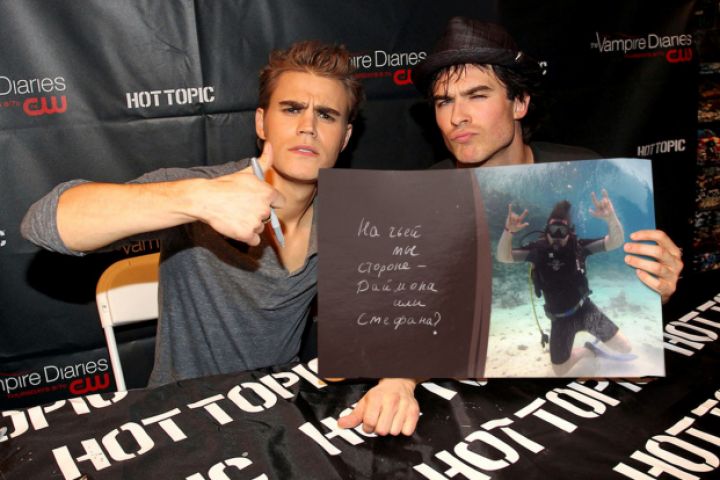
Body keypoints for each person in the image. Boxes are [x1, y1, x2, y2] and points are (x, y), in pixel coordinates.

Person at [22, 40, 419, 436]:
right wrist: (194, 199)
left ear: (344, 138)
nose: (308, 127)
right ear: (261, 123)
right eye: (292, 109)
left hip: (278, 415)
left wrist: (399, 380)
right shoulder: (206, 191)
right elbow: (44, 223)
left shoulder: (351, 216)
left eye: (326, 115)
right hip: (184, 419)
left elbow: (413, 308)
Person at [413, 16, 683, 303]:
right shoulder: (422, 195)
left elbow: (631, 275)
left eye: (477, 96)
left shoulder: (586, 171)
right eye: (445, 101)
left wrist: (656, 286)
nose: (457, 117)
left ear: (519, 103)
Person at [497, 192, 632, 374]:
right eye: (554, 230)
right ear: (546, 231)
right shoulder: (537, 251)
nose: (558, 236)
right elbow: (504, 257)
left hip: (585, 311)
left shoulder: (579, 247)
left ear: (570, 232)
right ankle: (589, 351)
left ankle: (596, 344)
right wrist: (509, 231)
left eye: (563, 231)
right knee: (560, 370)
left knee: (625, 348)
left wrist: (611, 218)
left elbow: (616, 242)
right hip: (560, 320)